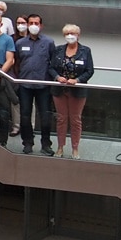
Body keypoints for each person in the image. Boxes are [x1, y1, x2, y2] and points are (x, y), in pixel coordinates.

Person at [15, 13, 57, 156]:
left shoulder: (49, 42)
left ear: (41, 25)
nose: (33, 25)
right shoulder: (20, 43)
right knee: (25, 115)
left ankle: (46, 144)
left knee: (45, 116)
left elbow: (53, 63)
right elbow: (17, 63)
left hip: (43, 85)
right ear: (27, 25)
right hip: (25, 85)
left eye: (36, 23)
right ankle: (27, 143)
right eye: (31, 23)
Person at [50, 24, 95, 159]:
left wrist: (78, 80)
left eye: (73, 33)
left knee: (75, 120)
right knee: (61, 119)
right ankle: (60, 147)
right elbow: (51, 68)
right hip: (60, 90)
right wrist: (58, 77)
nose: (70, 36)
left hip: (77, 90)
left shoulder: (85, 51)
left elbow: (89, 70)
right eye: (67, 33)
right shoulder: (58, 50)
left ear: (78, 35)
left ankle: (75, 148)